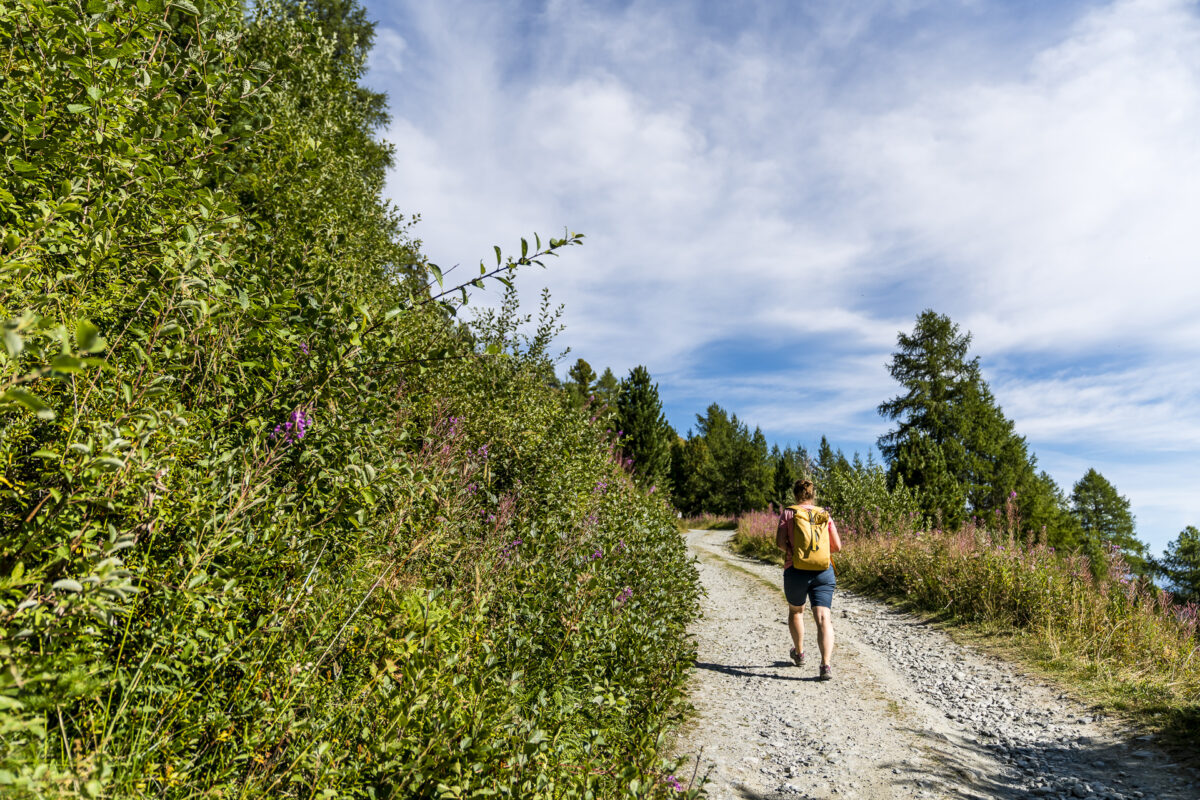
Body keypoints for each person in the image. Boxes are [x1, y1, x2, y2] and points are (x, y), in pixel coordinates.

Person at [775, 479, 842, 680]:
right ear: (813, 494)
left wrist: (794, 553)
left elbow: (779, 543)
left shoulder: (789, 513)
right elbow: (837, 546)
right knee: (823, 617)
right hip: (823, 570)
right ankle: (826, 665)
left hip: (795, 569)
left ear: (795, 495)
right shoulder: (824, 514)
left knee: (796, 611)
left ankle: (800, 653)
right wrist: (818, 554)